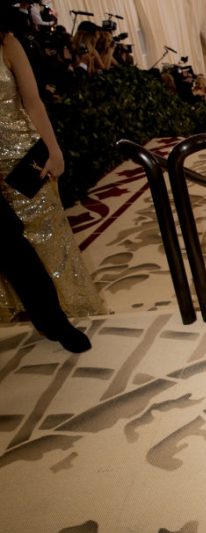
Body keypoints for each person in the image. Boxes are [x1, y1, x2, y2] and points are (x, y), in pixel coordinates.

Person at [0, 22, 103, 324]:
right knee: (6, 245)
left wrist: (54, 150)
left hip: (22, 159)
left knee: (47, 236)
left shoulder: (8, 42)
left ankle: (67, 308)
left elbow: (33, 102)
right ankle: (21, 311)